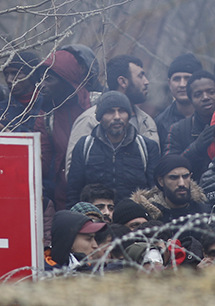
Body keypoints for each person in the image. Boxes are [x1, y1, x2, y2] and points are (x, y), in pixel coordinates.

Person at [65, 54, 159, 175]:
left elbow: (156, 173)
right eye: (141, 76)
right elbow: (72, 172)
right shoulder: (90, 120)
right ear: (123, 82)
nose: (146, 82)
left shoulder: (147, 121)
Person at [66, 91, 159, 207]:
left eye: (122, 111)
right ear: (100, 117)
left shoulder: (147, 147)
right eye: (110, 112)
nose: (117, 117)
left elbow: (155, 193)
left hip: (134, 220)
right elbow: (73, 192)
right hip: (96, 219)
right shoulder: (84, 146)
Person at [35, 49, 93, 210]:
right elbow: (42, 162)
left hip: (99, 198)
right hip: (65, 199)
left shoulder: (97, 108)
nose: (42, 85)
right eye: (40, 79)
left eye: (49, 79)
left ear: (67, 81)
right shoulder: (46, 116)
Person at [168, 70, 215, 180]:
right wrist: (196, 148)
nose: (205, 97)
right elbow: (168, 168)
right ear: (190, 101)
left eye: (211, 92)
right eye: (198, 94)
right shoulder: (178, 129)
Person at [130, 155, 207, 225]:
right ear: (161, 181)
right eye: (173, 177)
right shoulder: (149, 218)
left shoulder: (206, 213)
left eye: (185, 176)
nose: (181, 183)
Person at [154, 53, 203, 151]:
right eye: (176, 79)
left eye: (187, 78)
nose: (182, 84)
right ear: (169, 83)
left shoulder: (212, 115)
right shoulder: (160, 123)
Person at [0, 51, 43, 133]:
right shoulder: (0, 111)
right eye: (6, 74)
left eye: (16, 73)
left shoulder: (48, 107)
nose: (9, 80)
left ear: (31, 75)